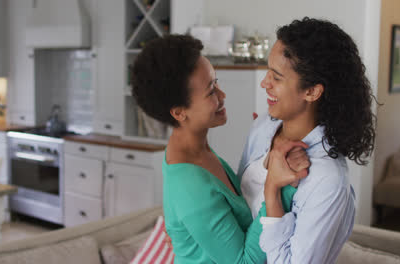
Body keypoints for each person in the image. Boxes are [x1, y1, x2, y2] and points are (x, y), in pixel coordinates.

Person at [131, 34, 310, 263]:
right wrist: (279, 187)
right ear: (179, 112)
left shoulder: (197, 151)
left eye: (217, 82)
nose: (222, 95)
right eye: (210, 92)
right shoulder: (190, 183)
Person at [238, 17, 376, 263]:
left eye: (276, 77)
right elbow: (239, 205)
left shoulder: (327, 178)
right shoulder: (262, 128)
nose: (264, 83)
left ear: (312, 91)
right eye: (267, 71)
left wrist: (273, 191)